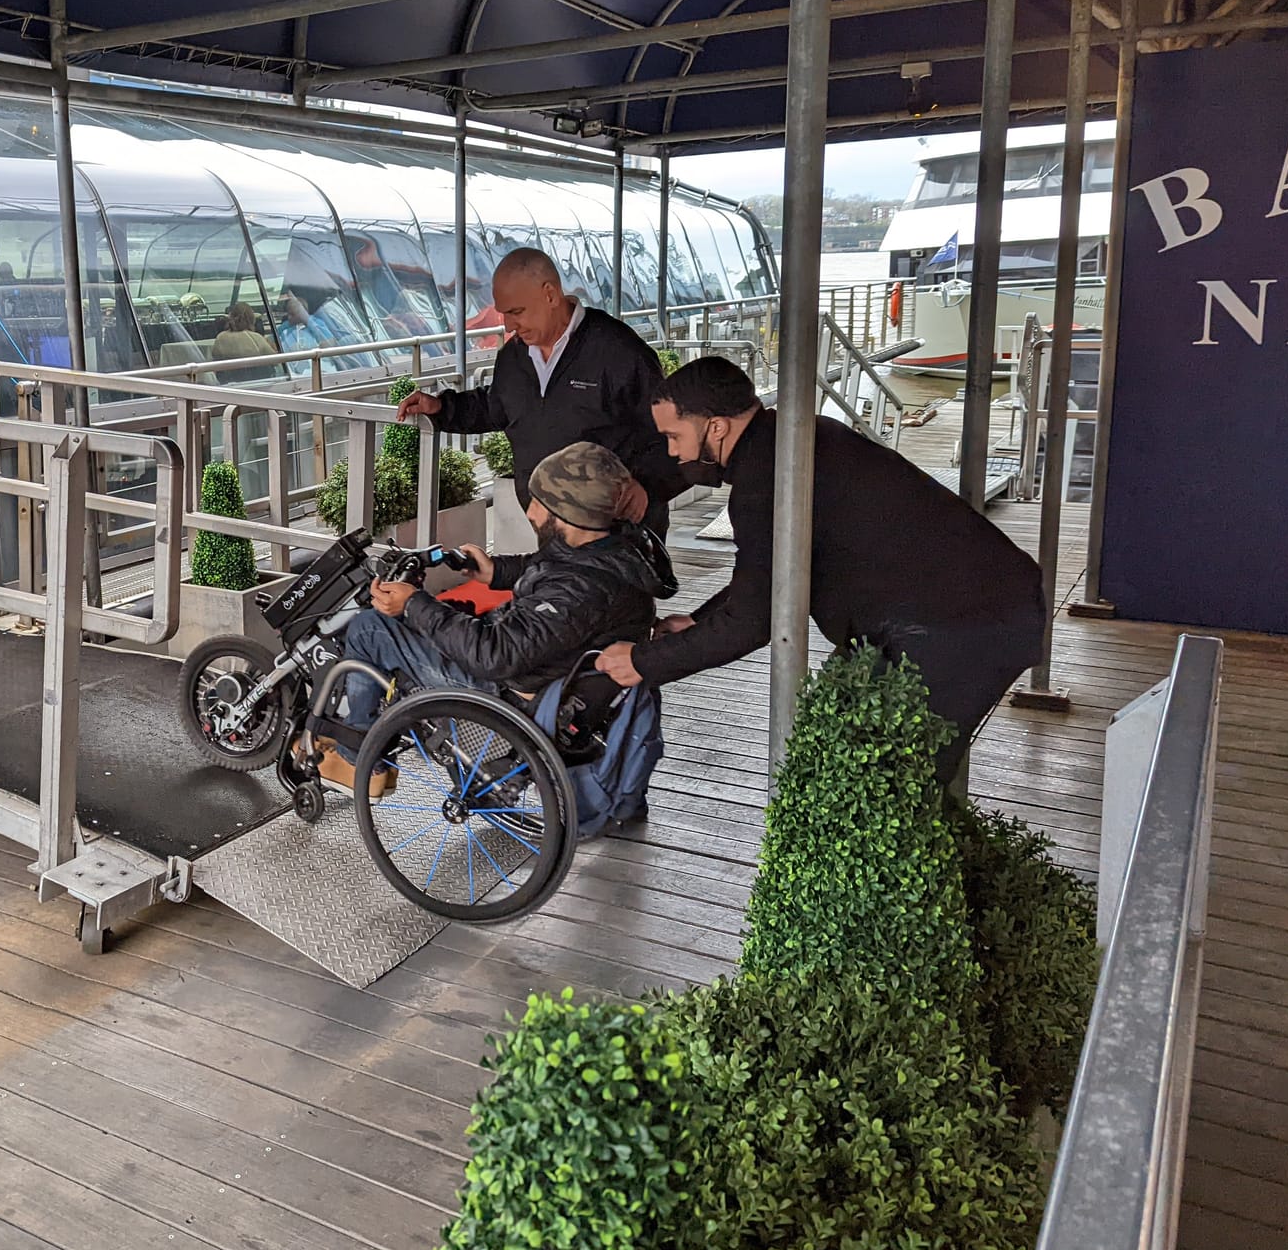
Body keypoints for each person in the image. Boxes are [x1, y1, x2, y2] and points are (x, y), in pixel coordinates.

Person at [597, 356, 1045, 790]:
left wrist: (643, 663)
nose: (672, 453)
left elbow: (753, 625)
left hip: (962, 625)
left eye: (674, 436)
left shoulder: (764, 483)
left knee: (881, 788)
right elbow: (773, 573)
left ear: (715, 426)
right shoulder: (797, 441)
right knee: (844, 754)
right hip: (970, 605)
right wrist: (699, 621)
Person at [323, 443, 670, 826]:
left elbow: (494, 656)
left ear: (570, 514)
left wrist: (414, 604)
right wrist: (497, 572)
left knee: (370, 628)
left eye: (540, 503)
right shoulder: (616, 552)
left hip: (507, 690)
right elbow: (556, 569)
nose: (532, 512)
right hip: (553, 677)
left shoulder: (576, 591)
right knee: (440, 616)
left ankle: (355, 761)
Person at [395, 247, 683, 531]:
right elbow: (496, 406)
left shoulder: (618, 350)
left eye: (516, 312)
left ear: (550, 295)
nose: (508, 325)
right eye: (504, 314)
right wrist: (443, 408)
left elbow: (674, 430)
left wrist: (647, 485)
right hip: (549, 526)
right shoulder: (514, 355)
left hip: (620, 531)